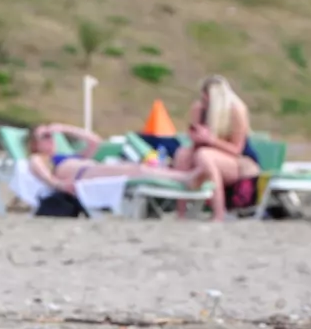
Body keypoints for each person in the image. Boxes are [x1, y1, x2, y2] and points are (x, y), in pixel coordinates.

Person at [172, 75, 261, 221]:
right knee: (183, 154)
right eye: (203, 100)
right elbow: (193, 141)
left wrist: (211, 140)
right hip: (206, 152)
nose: (204, 104)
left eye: (207, 101)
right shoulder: (198, 108)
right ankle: (180, 212)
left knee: (205, 156)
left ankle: (218, 212)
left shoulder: (236, 111)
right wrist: (196, 137)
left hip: (237, 160)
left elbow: (237, 149)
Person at [27, 122, 189, 195]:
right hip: (84, 174)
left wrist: (65, 128)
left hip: (91, 169)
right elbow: (47, 177)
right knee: (138, 170)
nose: (52, 139)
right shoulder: (38, 158)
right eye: (46, 136)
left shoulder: (66, 156)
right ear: (35, 143)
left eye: (52, 135)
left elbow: (95, 141)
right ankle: (186, 178)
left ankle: (184, 178)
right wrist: (61, 186)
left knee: (141, 169)